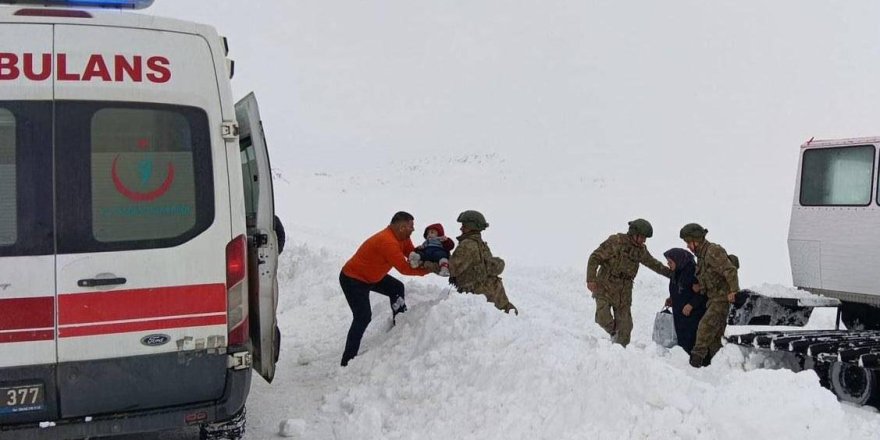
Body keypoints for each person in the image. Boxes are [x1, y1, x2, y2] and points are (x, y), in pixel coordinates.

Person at [338, 211, 431, 366]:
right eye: (410, 226)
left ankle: (399, 322)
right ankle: (347, 360)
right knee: (363, 317)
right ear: (401, 227)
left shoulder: (403, 237)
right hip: (353, 279)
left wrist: (428, 256)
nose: (413, 230)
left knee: (396, 287)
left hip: (372, 276)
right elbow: (404, 268)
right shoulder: (387, 241)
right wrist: (428, 270)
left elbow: (411, 254)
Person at [586, 219, 672, 346]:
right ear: (634, 234)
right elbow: (595, 257)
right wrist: (591, 279)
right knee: (603, 318)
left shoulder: (640, 250)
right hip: (606, 285)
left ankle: (621, 354)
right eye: (642, 237)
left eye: (645, 238)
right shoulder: (616, 242)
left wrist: (672, 274)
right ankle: (614, 332)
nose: (644, 240)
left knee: (626, 329)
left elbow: (653, 264)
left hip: (624, 290)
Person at [426, 210, 517, 314]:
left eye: (464, 226)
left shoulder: (467, 245)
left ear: (471, 227)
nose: (461, 228)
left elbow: (451, 269)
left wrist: (426, 264)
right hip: (493, 292)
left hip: (478, 297)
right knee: (506, 317)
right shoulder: (480, 244)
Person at [679, 223, 739, 368]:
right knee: (715, 338)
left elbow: (730, 270)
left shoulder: (713, 251)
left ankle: (694, 362)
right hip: (712, 299)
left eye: (688, 243)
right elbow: (711, 277)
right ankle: (717, 367)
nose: (688, 246)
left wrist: (734, 291)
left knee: (704, 327)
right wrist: (700, 286)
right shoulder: (701, 256)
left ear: (696, 240)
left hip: (722, 299)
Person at [662, 248, 706, 354]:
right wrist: (672, 298)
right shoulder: (677, 272)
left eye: (670, 262)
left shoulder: (693, 271)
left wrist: (691, 304)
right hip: (680, 315)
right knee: (682, 342)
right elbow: (679, 288)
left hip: (693, 316)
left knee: (691, 341)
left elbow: (703, 293)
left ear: (678, 260)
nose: (668, 264)